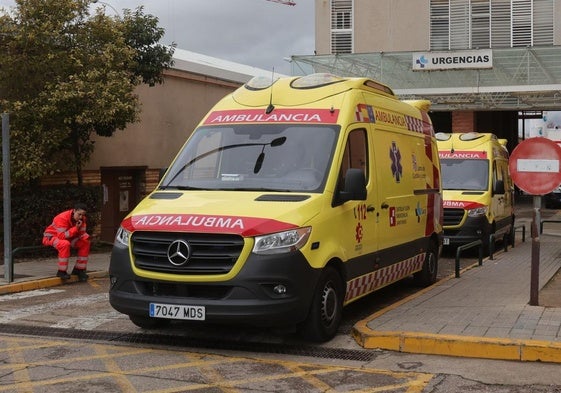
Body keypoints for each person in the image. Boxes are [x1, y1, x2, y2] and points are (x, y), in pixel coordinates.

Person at [42, 203, 90, 281]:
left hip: (68, 238)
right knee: (65, 244)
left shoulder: (82, 219)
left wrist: (86, 237)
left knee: (85, 243)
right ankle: (61, 271)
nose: (81, 217)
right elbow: (61, 236)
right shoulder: (62, 218)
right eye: (79, 214)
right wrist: (76, 228)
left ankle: (79, 270)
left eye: (83, 215)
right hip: (51, 237)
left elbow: (81, 233)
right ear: (74, 211)